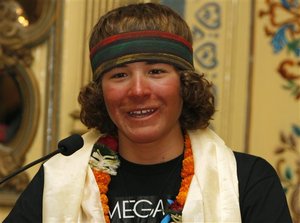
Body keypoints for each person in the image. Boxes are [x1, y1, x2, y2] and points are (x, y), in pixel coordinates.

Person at [4, 3, 292, 223]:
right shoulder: (56, 179)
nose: (138, 90)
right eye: (119, 75)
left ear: (185, 84)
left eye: (156, 71)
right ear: (101, 92)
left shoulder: (250, 181)